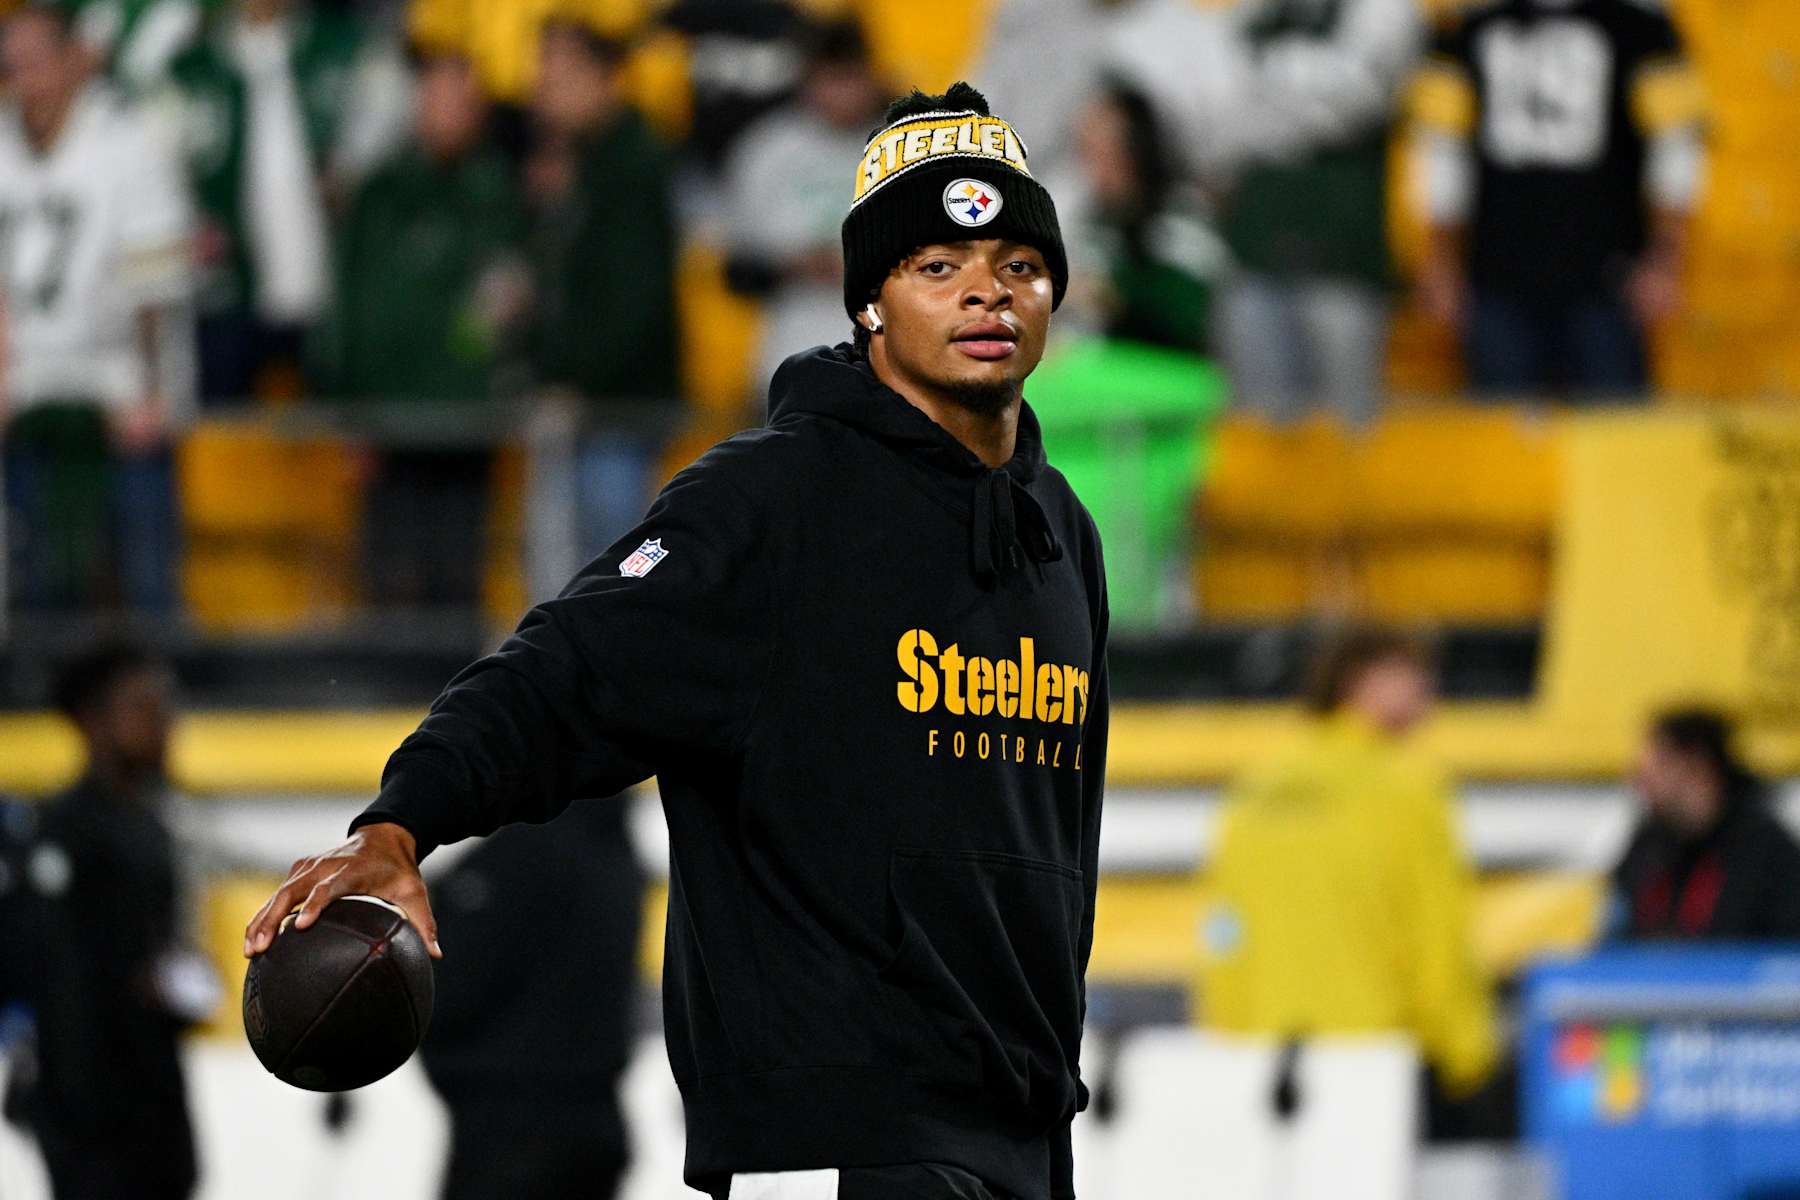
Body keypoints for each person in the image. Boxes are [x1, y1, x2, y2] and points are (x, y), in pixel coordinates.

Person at [247, 81, 1109, 1200]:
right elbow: (565, 669)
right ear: (869, 304)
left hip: (1023, 1130)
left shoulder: (1064, 538)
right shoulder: (772, 502)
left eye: (1018, 268)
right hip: (832, 1132)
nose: (987, 293)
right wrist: (404, 823)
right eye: (935, 267)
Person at [1199, 628, 1497, 1100]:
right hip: (1380, 1058)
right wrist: (1466, 1054)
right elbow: (1437, 930)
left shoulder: (1253, 790)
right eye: (1414, 674)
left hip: (1261, 1059)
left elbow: (1222, 929)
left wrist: (1227, 1035)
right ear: (1359, 680)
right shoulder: (1411, 789)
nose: (1428, 692)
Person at [0, 2, 195, 615]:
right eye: (10, 62)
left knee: (144, 580)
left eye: (33, 59)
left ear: (71, 61)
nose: (20, 75)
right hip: (23, 387)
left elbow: (155, 286)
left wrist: (152, 389)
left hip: (115, 386)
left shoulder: (126, 142)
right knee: (30, 585)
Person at [1411, 0, 1706, 398]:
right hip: (1496, 277)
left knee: (1613, 440)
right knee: (1505, 442)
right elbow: (1441, 149)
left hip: (1608, 278)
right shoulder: (1464, 25)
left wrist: (1665, 259)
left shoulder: (1640, 22)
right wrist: (1441, 261)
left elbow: (1676, 144)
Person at [321, 44, 527, 613]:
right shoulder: (381, 191)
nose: (446, 113)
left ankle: (457, 697)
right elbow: (347, 301)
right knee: (388, 573)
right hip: (386, 418)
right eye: (435, 97)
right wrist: (345, 404)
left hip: (465, 419)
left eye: (460, 101)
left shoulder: (499, 195)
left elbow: (512, 298)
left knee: (457, 575)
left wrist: (494, 373)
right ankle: (382, 695)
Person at [24, 641, 216, 1199]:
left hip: (157, 1106)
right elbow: (54, 978)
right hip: (89, 1121)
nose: (164, 725)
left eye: (167, 708)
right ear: (92, 721)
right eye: (144, 708)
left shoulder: (155, 828)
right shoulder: (61, 833)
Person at [162, 0, 410, 404]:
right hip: (228, 294)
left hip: (333, 294)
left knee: (333, 433)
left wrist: (351, 165)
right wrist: (192, 217)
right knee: (229, 432)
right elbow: (155, 167)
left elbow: (394, 115)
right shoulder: (191, 69)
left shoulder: (348, 49)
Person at [422, 799, 645, 1200]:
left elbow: (444, 991)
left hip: (509, 1137)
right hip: (594, 1126)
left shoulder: (525, 853)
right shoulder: (614, 846)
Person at [525, 17, 679, 561]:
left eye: (561, 73)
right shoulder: (579, 163)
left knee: (611, 572)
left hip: (616, 408)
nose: (544, 87)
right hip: (589, 404)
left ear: (605, 77)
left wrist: (574, 377)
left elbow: (632, 299)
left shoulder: (631, 164)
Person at [723, 16, 888, 399]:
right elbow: (735, 271)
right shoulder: (766, 151)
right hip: (789, 354)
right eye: (831, 79)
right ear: (808, 79)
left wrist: (862, 268)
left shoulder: (899, 150)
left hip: (882, 363)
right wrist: (793, 265)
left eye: (851, 79)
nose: (842, 94)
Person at [1607, 708, 1800, 941]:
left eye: (1658, 763)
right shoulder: (1647, 845)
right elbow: (1616, 939)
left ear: (1697, 766)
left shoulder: (1766, 852)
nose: (1640, 777)